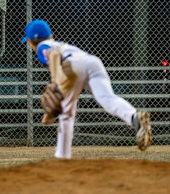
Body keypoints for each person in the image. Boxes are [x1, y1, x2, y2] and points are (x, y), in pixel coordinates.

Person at [21, 19, 152, 159]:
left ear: (31, 41)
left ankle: (62, 157)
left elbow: (53, 55)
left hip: (71, 66)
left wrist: (54, 82)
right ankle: (133, 117)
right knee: (108, 99)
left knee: (67, 114)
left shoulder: (42, 46)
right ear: (51, 35)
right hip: (92, 62)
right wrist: (48, 114)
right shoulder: (59, 44)